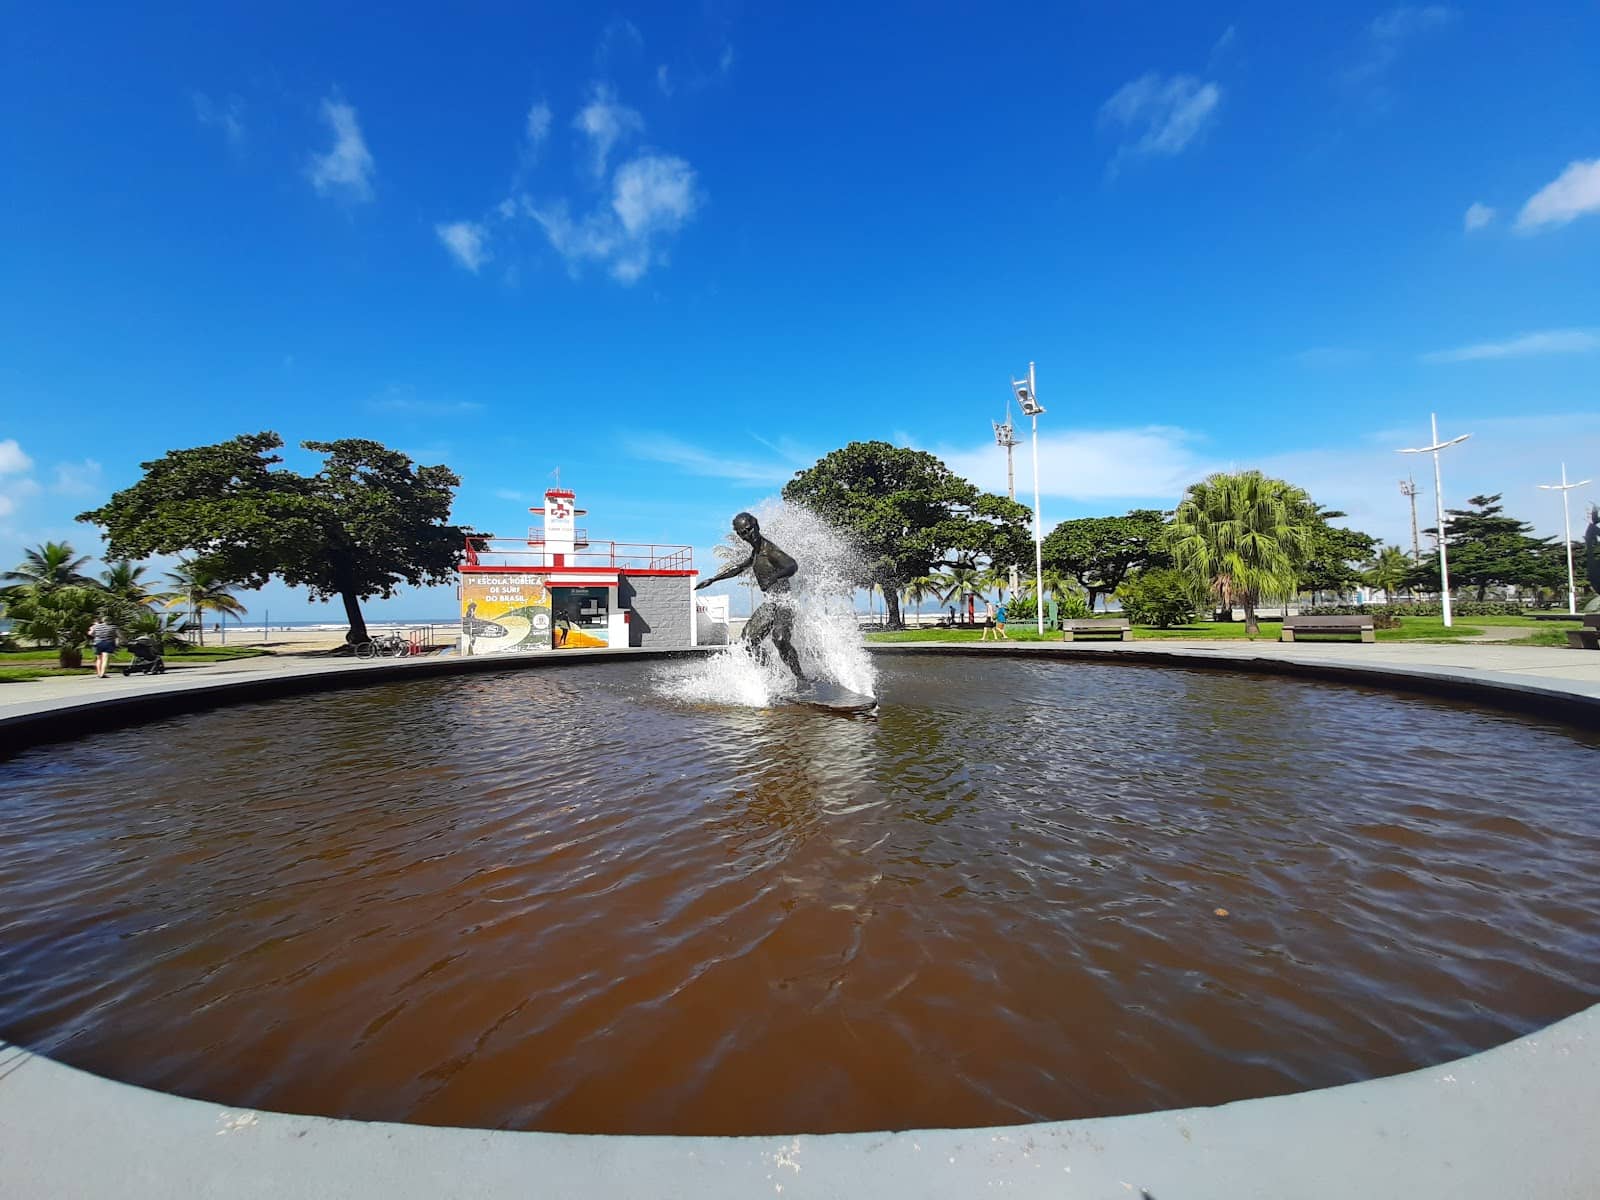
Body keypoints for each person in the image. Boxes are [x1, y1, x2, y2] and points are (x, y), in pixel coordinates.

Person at [696, 511, 806, 681]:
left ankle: (800, 677)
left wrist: (774, 577)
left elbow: (792, 566)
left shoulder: (770, 551)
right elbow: (738, 568)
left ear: (756, 526)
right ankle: (774, 676)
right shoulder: (756, 552)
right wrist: (713, 579)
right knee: (747, 643)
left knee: (780, 638)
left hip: (784, 602)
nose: (747, 535)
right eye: (742, 534)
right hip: (770, 603)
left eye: (749, 530)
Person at [87, 611, 119, 679]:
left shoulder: (96, 626)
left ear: (103, 620)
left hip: (97, 643)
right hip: (108, 643)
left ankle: (99, 673)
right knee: (105, 659)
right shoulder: (113, 627)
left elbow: (90, 634)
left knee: (99, 659)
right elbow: (118, 635)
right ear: (110, 621)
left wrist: (95, 634)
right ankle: (103, 673)